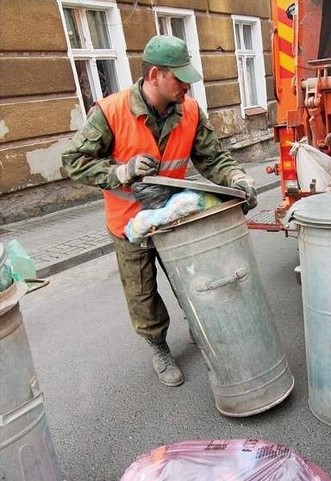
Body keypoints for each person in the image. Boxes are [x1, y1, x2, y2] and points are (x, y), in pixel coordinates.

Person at [62, 35, 258, 387]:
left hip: (173, 217)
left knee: (190, 277)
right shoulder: (110, 112)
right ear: (155, 75)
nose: (187, 84)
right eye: (180, 77)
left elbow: (212, 159)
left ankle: (200, 326)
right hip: (129, 224)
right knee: (142, 293)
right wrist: (119, 172)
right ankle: (158, 346)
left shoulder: (191, 112)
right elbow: (73, 161)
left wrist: (238, 177)